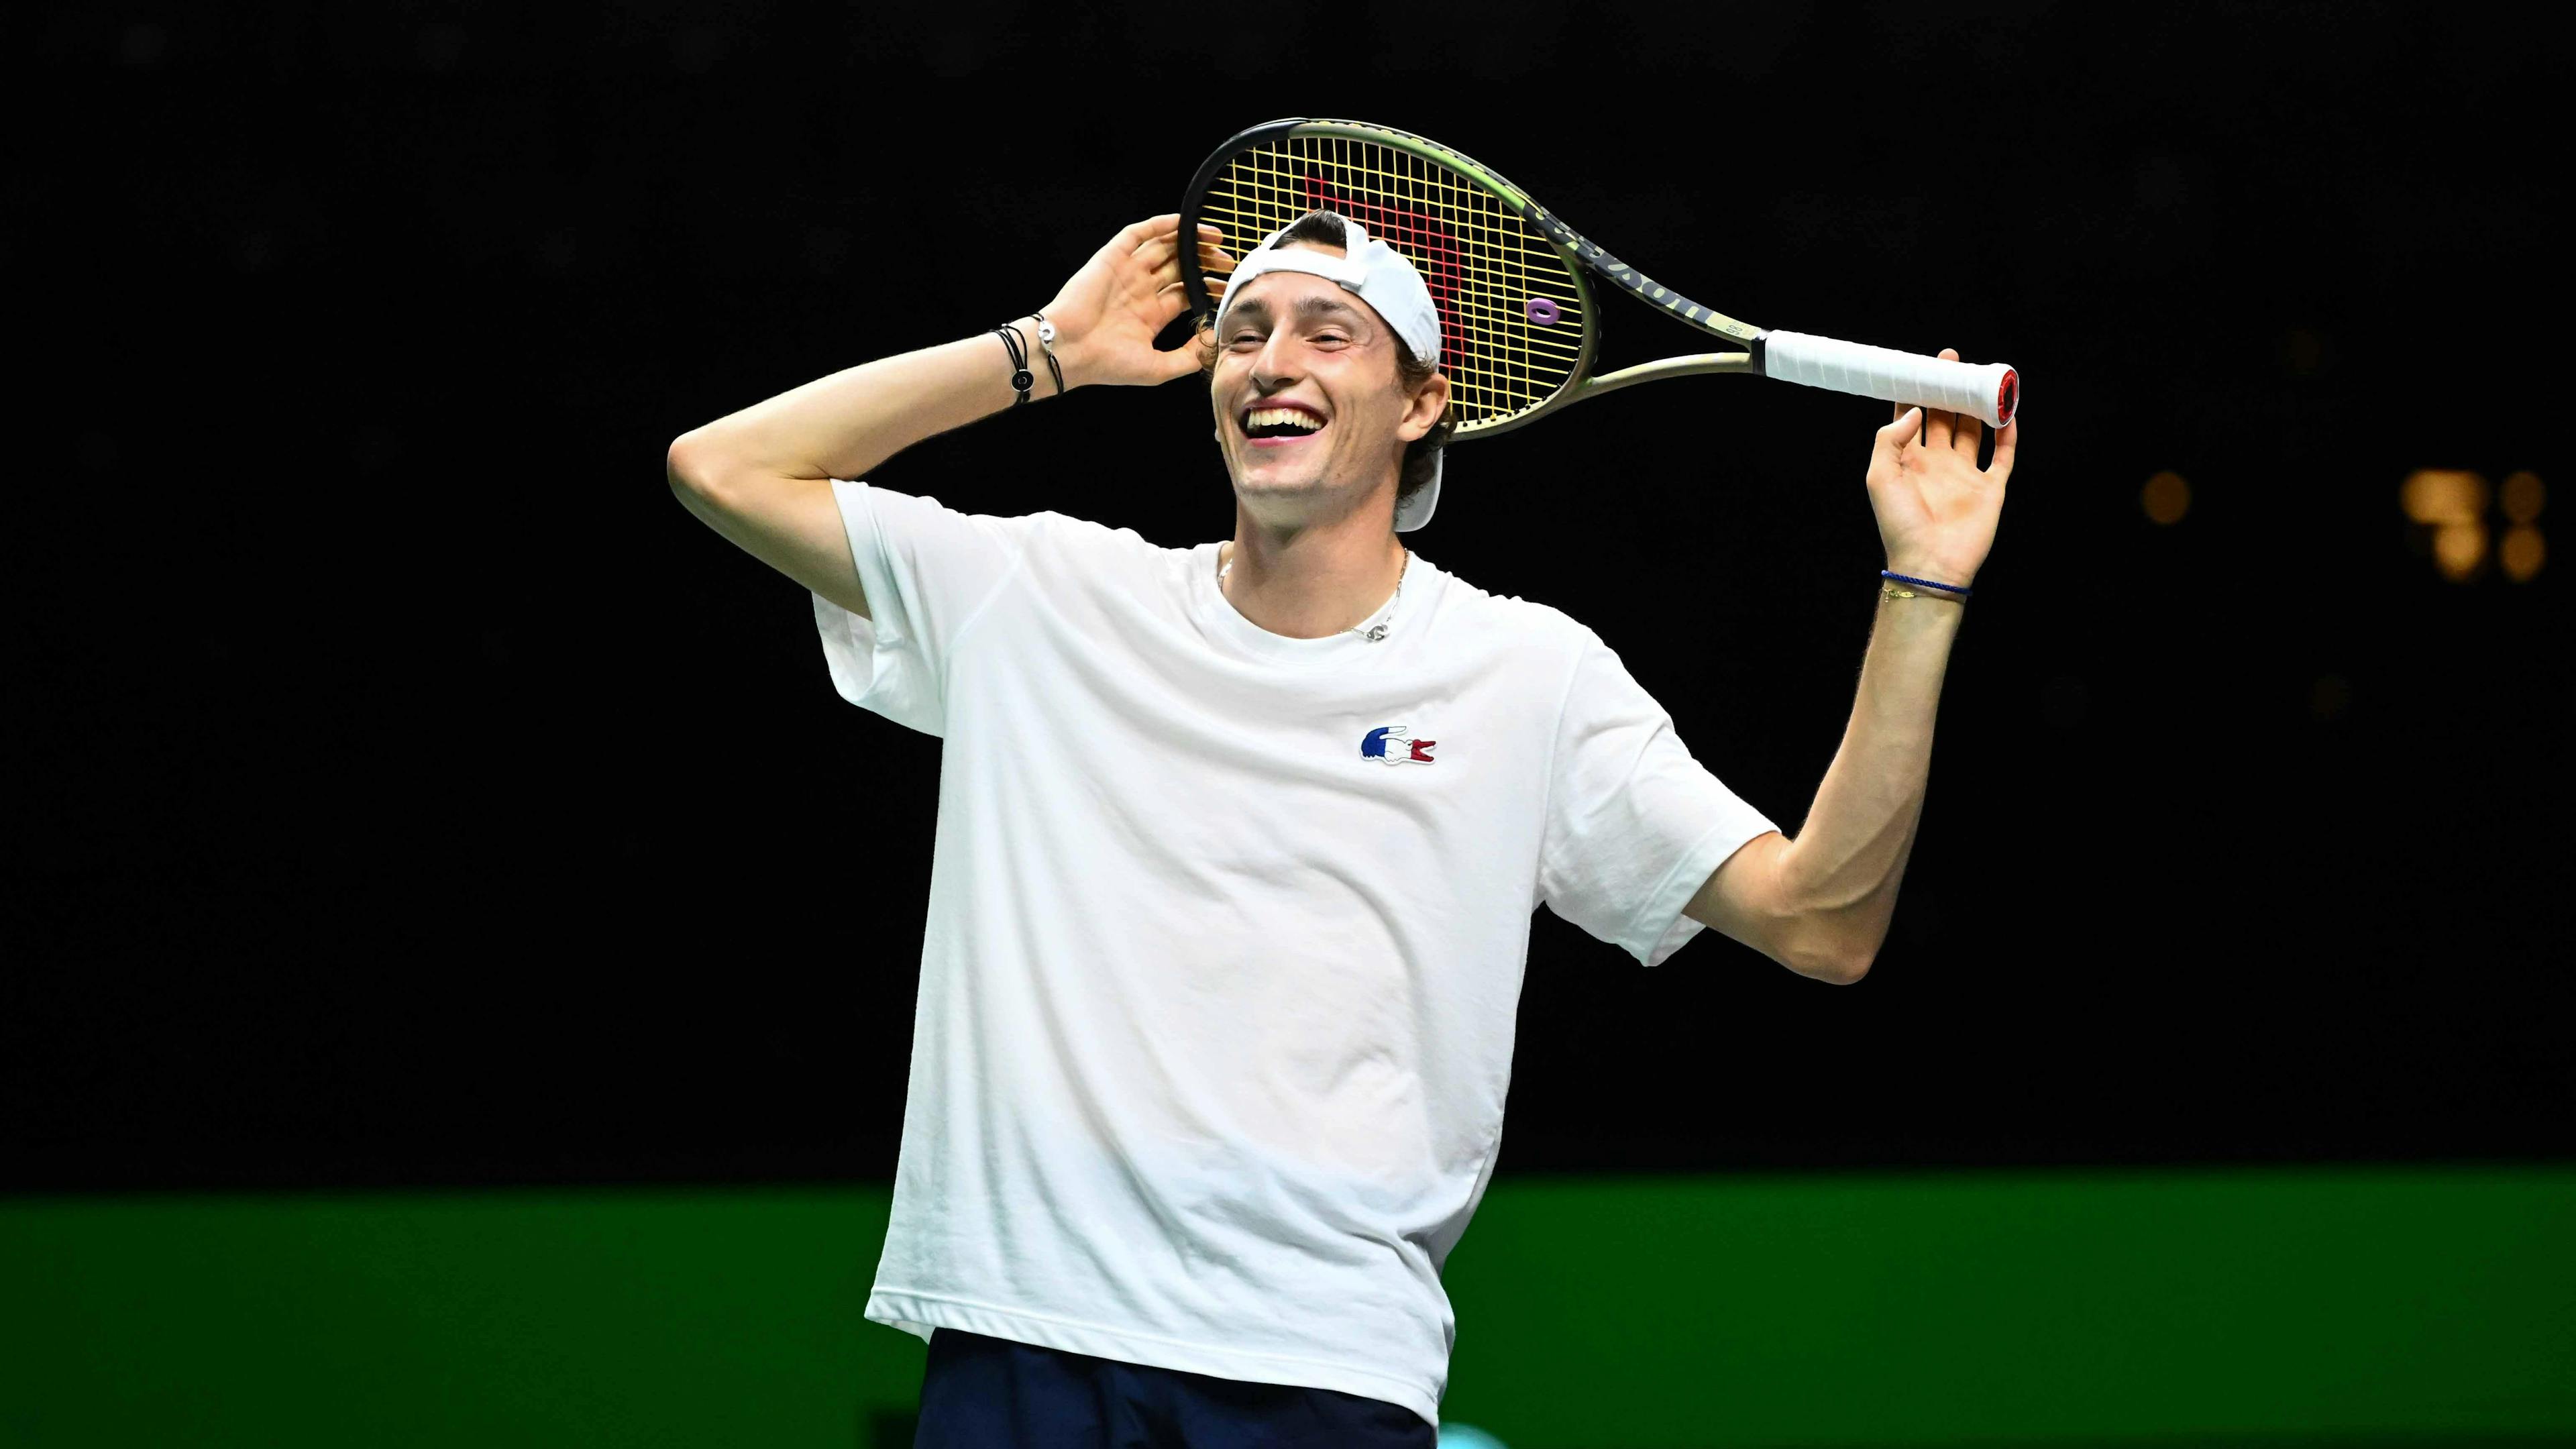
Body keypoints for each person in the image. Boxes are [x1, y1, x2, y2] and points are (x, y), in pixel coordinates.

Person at [665, 207, 2017, 1447]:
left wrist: (1924, 581)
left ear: (1427, 400)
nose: (1271, 360)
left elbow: (1819, 922)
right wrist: (1050, 351)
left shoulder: (1523, 676)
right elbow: (723, 468)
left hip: (1324, 1370)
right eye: (1242, 333)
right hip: (1027, 1339)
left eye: (1329, 332)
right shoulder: (1043, 600)